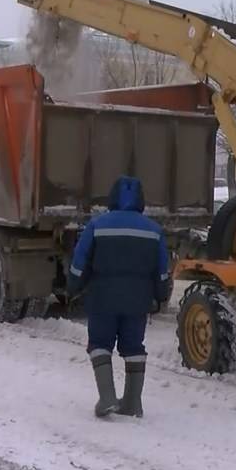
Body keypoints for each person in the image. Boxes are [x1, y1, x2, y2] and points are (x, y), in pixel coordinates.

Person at [68, 175, 170, 419]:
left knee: (100, 344)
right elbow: (163, 270)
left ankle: (107, 398)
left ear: (112, 197)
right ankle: (133, 403)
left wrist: (74, 287)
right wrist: (160, 296)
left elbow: (79, 262)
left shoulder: (97, 225)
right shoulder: (154, 231)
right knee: (134, 346)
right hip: (138, 301)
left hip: (102, 298)